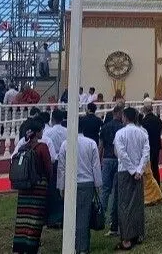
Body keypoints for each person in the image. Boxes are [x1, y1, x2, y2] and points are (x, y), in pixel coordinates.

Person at [57, 116, 103, 254]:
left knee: (72, 216)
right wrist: (98, 185)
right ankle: (82, 247)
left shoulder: (66, 144)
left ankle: (75, 244)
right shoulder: (90, 143)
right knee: (84, 216)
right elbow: (96, 166)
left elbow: (61, 167)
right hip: (87, 183)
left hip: (71, 183)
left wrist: (61, 186)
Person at [12, 119, 52, 253]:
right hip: (38, 187)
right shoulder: (42, 147)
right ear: (37, 132)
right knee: (35, 219)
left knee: (23, 218)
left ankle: (19, 245)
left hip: (24, 187)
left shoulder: (23, 147)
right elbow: (48, 168)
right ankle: (31, 246)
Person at [114, 106, 150, 250]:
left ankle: (127, 238)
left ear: (125, 117)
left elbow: (121, 154)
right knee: (137, 203)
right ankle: (138, 234)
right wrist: (139, 170)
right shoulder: (142, 133)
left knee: (124, 204)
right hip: (137, 172)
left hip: (125, 172)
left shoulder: (120, 133)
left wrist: (132, 170)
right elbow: (146, 153)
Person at [100, 106, 123, 234]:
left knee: (105, 189)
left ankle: (101, 215)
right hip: (117, 159)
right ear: (117, 113)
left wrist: (99, 160)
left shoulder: (104, 127)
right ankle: (113, 218)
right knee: (116, 190)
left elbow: (101, 146)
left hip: (107, 159)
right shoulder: (121, 128)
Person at [140, 102, 162, 185]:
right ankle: (157, 185)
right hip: (156, 146)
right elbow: (160, 133)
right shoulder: (158, 120)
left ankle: (149, 186)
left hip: (147, 147)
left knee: (147, 168)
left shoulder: (143, 121)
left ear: (145, 111)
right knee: (155, 167)